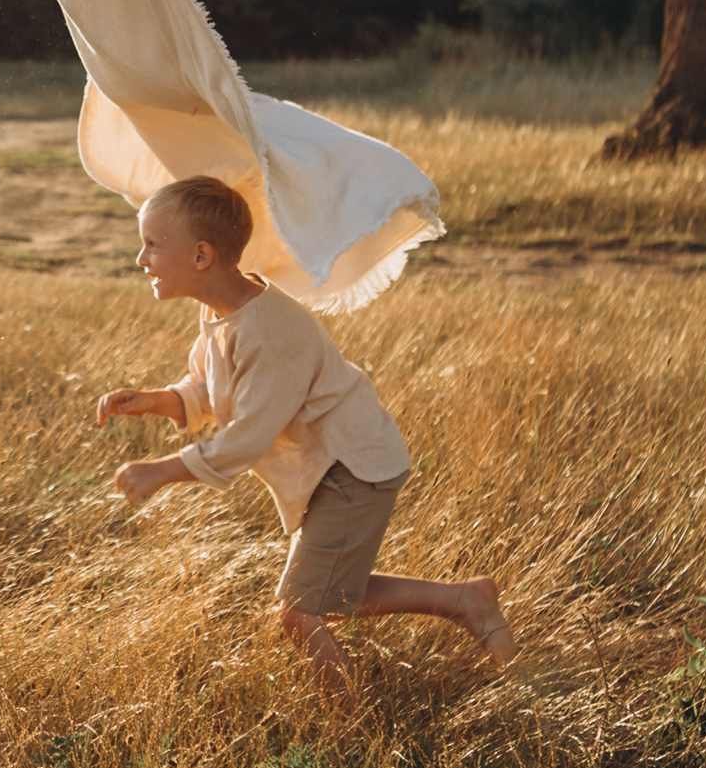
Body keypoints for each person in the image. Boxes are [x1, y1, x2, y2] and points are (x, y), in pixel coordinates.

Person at [94, 175, 515, 701]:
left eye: (153, 244)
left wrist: (164, 470)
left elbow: (248, 433)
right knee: (336, 591)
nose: (141, 258)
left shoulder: (269, 330)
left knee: (299, 611)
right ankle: (466, 601)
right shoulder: (221, 312)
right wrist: (158, 399)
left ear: (202, 255)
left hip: (350, 466)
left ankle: (353, 723)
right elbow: (209, 387)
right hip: (328, 468)